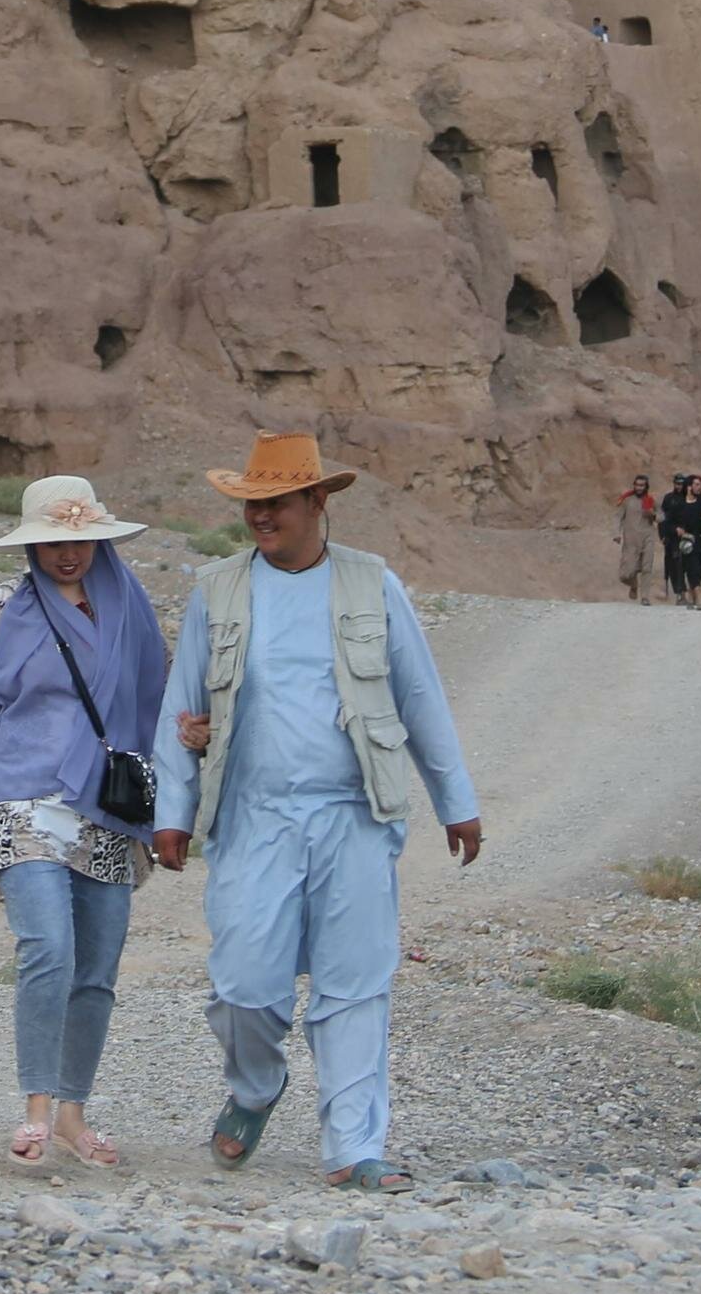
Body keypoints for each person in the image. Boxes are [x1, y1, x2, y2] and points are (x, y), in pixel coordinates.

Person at [151, 432, 480, 1194]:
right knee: (242, 985)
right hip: (253, 816)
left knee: (355, 985)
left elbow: (419, 695)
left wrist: (455, 801)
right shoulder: (218, 590)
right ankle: (256, 1087)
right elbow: (184, 706)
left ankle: (354, 1146)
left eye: (276, 503)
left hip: (355, 815)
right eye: (252, 504)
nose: (262, 517)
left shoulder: (373, 584)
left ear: (317, 503)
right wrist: (173, 808)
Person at [0, 473, 171, 1167]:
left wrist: (182, 789)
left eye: (81, 540)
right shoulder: (6, 606)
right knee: (48, 949)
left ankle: (72, 1112)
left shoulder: (132, 610)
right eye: (55, 541)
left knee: (96, 968)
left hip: (109, 806)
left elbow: (162, 705)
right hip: (18, 797)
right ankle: (34, 1106)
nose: (69, 554)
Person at [662, 474, 701, 605]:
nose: (699, 487)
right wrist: (675, 530)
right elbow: (667, 522)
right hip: (683, 542)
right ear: (689, 487)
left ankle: (693, 594)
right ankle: (691, 594)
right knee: (685, 568)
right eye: (696, 485)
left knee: (699, 570)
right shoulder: (677, 503)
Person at [613, 474, 658, 605]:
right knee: (625, 574)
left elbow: (662, 516)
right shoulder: (626, 500)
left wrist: (653, 514)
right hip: (631, 541)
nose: (639, 488)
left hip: (648, 538)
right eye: (637, 485)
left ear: (646, 487)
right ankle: (633, 584)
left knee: (647, 568)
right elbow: (617, 517)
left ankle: (645, 597)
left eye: (642, 485)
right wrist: (616, 533)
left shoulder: (650, 501)